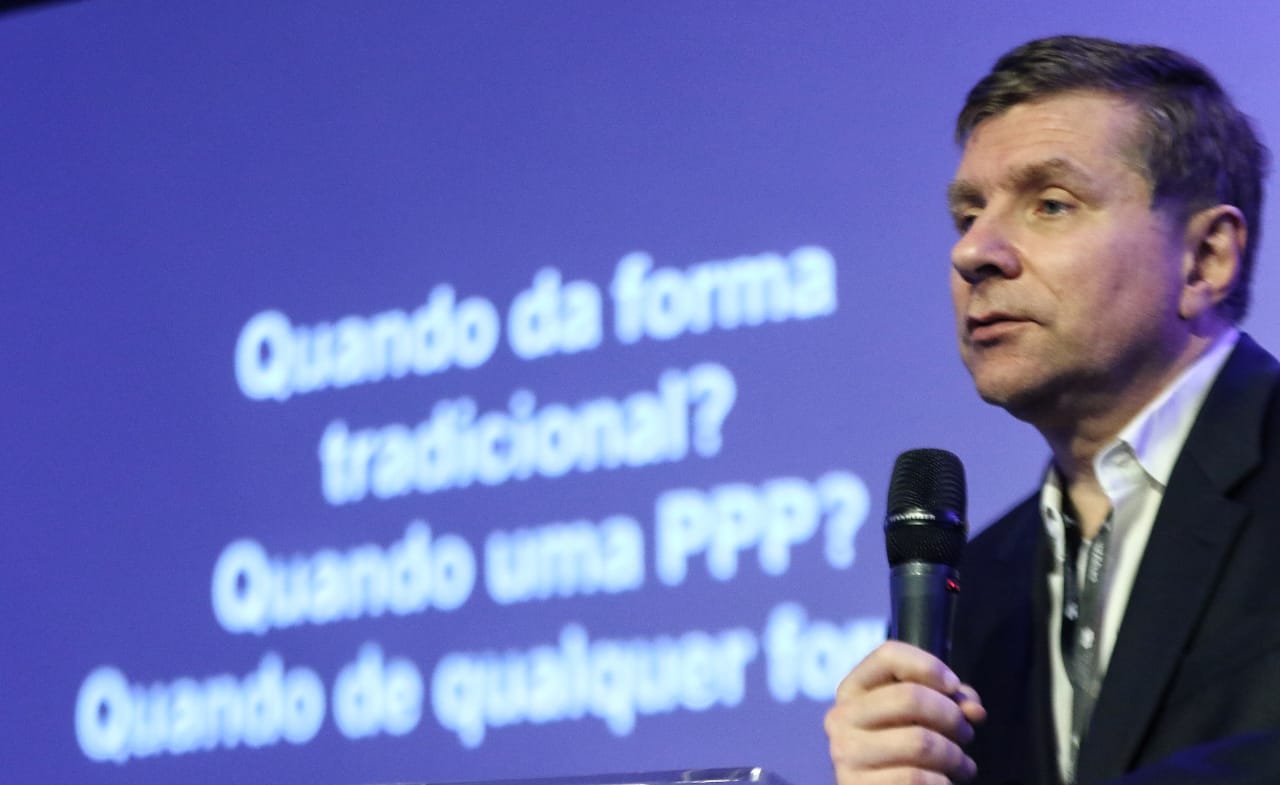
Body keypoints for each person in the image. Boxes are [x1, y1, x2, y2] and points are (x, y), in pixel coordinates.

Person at [825, 35, 1280, 785]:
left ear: (1206, 258)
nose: (973, 252)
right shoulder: (974, 593)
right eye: (968, 214)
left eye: (1051, 204)